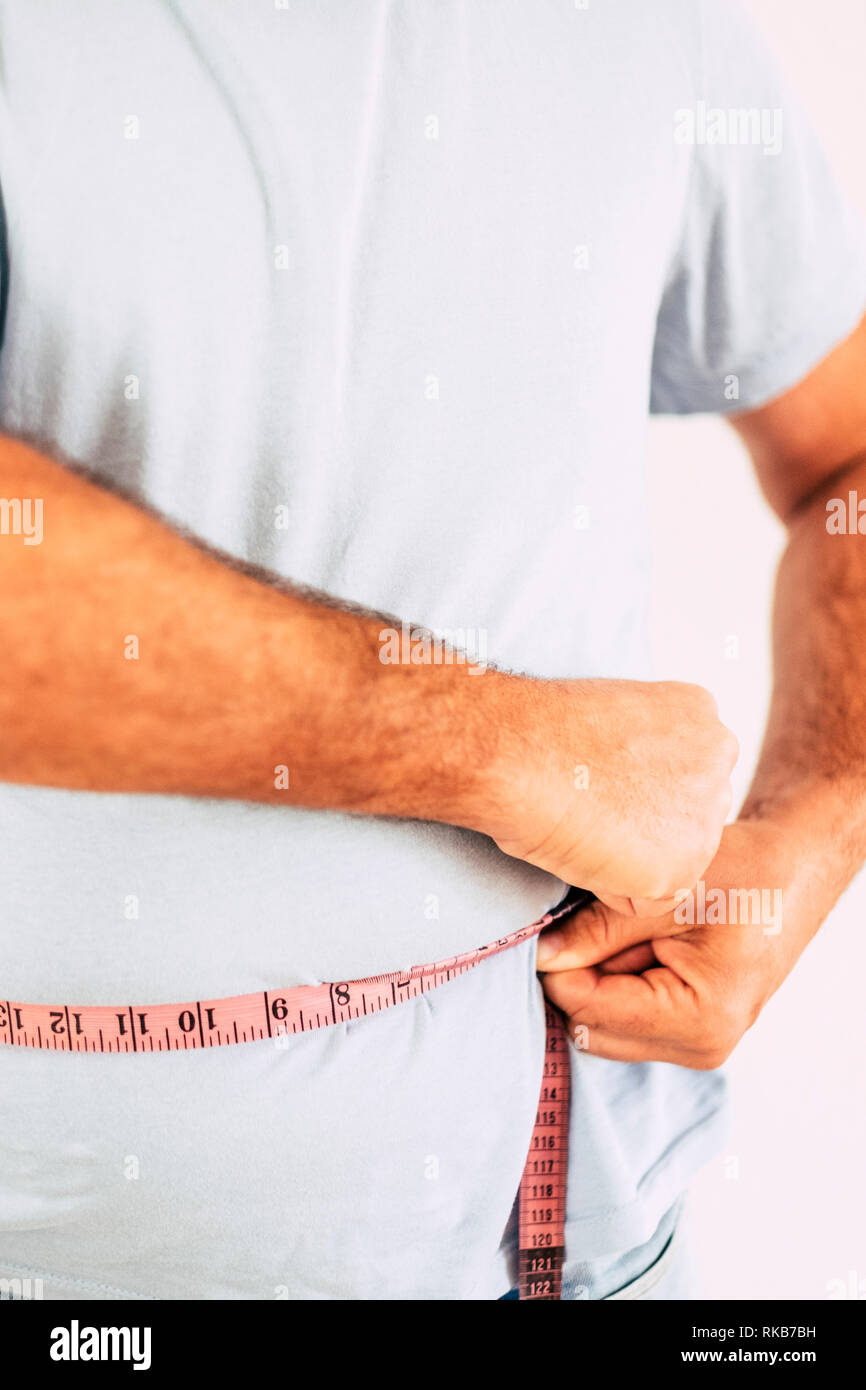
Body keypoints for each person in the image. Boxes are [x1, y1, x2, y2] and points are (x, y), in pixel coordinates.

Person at [0, 0, 864, 1301]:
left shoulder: (652, 31)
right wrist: (503, 751)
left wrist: (812, 822)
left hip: (576, 1251)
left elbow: (844, 456)